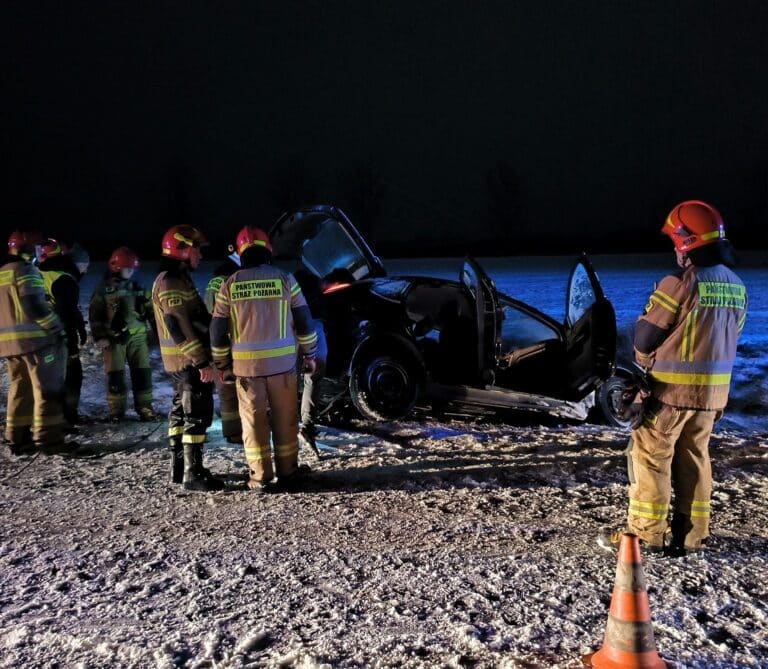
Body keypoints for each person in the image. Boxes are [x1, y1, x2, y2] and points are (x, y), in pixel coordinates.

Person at [603, 200, 747, 556]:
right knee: (695, 460)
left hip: (668, 394)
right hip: (712, 399)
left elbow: (645, 338)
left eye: (675, 242)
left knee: (651, 460)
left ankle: (645, 537)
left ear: (686, 242)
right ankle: (692, 535)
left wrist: (644, 351)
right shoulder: (736, 287)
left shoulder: (680, 283)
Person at [210, 226, 317, 491]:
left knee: (254, 422)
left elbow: (217, 331)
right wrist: (310, 353)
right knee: (285, 418)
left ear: (242, 253)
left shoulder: (230, 283)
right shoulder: (285, 279)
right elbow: (304, 321)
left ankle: (260, 477)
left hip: (247, 370)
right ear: (267, 250)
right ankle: (289, 471)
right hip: (283, 367)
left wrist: (222, 363)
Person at [152, 225, 223, 491]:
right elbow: (176, 323)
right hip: (189, 364)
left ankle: (179, 469)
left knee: (180, 414)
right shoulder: (171, 281)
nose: (200, 256)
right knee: (196, 415)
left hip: (179, 364)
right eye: (196, 250)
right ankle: (194, 474)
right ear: (182, 249)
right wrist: (201, 361)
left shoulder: (175, 279)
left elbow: (193, 319)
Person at [0, 230, 72, 454]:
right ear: (29, 249)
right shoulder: (26, 270)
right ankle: (49, 440)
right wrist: (56, 327)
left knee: (19, 389)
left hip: (9, 345)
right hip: (36, 343)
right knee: (47, 390)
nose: (41, 251)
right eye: (39, 247)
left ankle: (17, 437)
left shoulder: (2, 272)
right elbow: (34, 306)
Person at [89, 246, 157, 423]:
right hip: (114, 339)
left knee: (142, 373)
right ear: (116, 267)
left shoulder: (138, 287)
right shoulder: (104, 289)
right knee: (116, 375)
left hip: (139, 338)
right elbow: (95, 314)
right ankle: (117, 412)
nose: (130, 272)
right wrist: (99, 336)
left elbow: (152, 311)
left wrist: (158, 333)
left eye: (132, 268)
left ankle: (145, 408)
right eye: (128, 268)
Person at [38, 238, 88, 426]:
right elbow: (67, 313)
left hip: (38, 337)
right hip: (58, 336)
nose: (85, 270)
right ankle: (67, 417)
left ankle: (50, 419)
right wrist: (73, 346)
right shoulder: (64, 279)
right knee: (73, 374)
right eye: (84, 265)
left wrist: (81, 325)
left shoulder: (39, 274)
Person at [203, 249, 242, 444]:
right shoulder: (220, 282)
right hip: (222, 342)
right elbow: (214, 315)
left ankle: (241, 428)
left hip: (234, 342)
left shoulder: (231, 280)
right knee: (227, 390)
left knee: (236, 389)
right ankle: (233, 432)